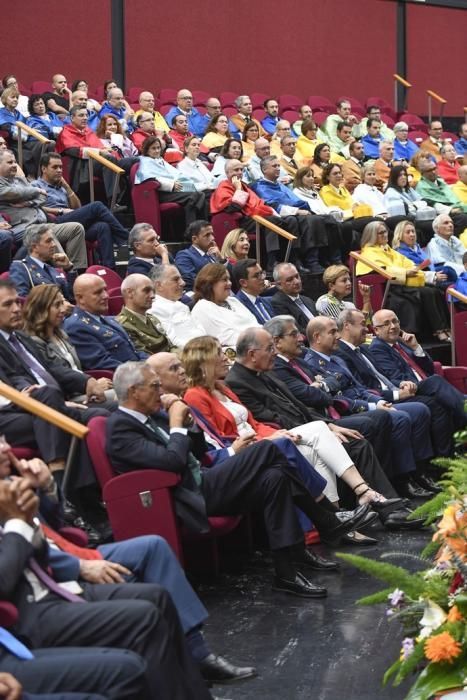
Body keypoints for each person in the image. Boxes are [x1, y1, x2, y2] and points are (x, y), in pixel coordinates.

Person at [106, 360, 373, 597]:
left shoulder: (153, 416)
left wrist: (187, 424)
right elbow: (173, 464)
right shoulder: (120, 428)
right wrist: (177, 425)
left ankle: (287, 569)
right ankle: (326, 518)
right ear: (133, 392)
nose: (160, 392)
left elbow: (197, 452)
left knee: (275, 477)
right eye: (154, 386)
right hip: (187, 497)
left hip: (203, 480)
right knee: (271, 448)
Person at [0, 474, 214, 699]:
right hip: (26, 613)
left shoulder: (11, 485)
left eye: (4, 439)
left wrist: (30, 515)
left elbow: (48, 539)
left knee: (156, 596)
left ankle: (195, 683)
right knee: (144, 619)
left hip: (52, 582)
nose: (4, 447)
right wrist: (17, 522)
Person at [225, 327, 410, 515]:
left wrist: (329, 425)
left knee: (357, 442)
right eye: (270, 349)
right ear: (252, 354)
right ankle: (380, 510)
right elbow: (273, 421)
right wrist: (322, 431)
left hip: (311, 427)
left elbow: (299, 406)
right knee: (358, 441)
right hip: (291, 437)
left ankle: (385, 509)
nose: (274, 353)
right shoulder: (237, 382)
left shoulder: (264, 371)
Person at [300, 315, 436, 494]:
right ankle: (402, 479)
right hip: (347, 413)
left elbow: (360, 388)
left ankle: (420, 471)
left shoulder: (336, 359)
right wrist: (373, 407)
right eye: (332, 332)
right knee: (400, 417)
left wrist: (378, 401)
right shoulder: (312, 364)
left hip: (366, 402)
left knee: (419, 410)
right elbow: (337, 400)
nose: (338, 336)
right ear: (317, 337)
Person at [335, 308, 452, 485]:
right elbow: (364, 388)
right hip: (377, 401)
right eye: (362, 325)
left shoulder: (363, 349)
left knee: (435, 398)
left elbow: (386, 376)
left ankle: (431, 467)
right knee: (426, 402)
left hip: (394, 391)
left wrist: (400, 385)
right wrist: (397, 393)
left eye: (395, 321)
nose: (367, 330)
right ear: (347, 326)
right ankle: (416, 474)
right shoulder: (342, 354)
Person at [368, 309, 467, 437]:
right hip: (410, 388)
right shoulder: (378, 348)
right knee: (435, 381)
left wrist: (416, 347)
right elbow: (394, 377)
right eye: (386, 324)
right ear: (376, 330)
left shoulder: (402, 343)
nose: (392, 326)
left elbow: (429, 369)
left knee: (443, 399)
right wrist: (412, 384)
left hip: (427, 386)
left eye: (394, 321)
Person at [31, 152, 129, 269]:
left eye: (61, 167)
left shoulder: (61, 187)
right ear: (44, 169)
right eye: (55, 167)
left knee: (103, 226)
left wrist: (67, 187)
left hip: (71, 221)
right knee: (97, 206)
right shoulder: (35, 186)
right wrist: (60, 210)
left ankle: (109, 269)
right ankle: (125, 237)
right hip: (54, 222)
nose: (59, 170)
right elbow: (36, 207)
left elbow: (77, 207)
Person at [356, 221, 451, 340]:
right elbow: (382, 270)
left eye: (385, 232)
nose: (384, 235)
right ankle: (439, 330)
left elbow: (407, 263)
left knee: (436, 291)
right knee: (427, 293)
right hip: (389, 289)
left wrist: (415, 271)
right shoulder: (368, 252)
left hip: (401, 284)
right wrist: (405, 272)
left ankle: (446, 328)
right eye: (380, 233)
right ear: (372, 235)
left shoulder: (388, 249)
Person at [21, 284, 114, 405]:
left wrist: (94, 382)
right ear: (41, 309)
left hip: (85, 389)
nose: (63, 310)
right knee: (127, 398)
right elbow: (59, 375)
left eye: (62, 303)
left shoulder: (61, 334)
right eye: (57, 305)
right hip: (68, 398)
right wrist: (92, 384)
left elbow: (75, 369)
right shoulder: (34, 342)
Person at [252, 155, 343, 270]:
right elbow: (273, 205)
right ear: (264, 170)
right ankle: (310, 260)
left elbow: (296, 201)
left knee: (329, 219)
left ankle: (333, 258)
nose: (278, 168)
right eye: (274, 166)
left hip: (296, 211)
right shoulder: (260, 186)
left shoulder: (280, 185)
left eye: (279, 166)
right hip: (282, 215)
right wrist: (297, 211)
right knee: (314, 220)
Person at [0, 150, 87, 269]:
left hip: (43, 221)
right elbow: (12, 193)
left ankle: (78, 271)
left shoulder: (20, 180)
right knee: (45, 232)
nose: (15, 165)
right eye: (10, 162)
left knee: (76, 228)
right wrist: (35, 192)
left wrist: (26, 201)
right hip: (24, 227)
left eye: (15, 162)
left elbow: (42, 198)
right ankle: (65, 271)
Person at [64, 274, 148, 370]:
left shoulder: (107, 319)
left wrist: (148, 363)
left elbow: (135, 349)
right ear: (80, 298)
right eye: (98, 292)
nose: (106, 296)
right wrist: (142, 369)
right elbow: (103, 363)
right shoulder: (76, 327)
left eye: (105, 290)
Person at [56, 106, 133, 203]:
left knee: (134, 161)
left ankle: (131, 201)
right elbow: (73, 150)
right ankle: (113, 200)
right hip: (83, 165)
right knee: (109, 160)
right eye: (81, 115)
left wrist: (107, 149)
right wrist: (100, 152)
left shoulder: (88, 131)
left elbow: (100, 147)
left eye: (86, 115)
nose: (85, 118)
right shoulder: (66, 133)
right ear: (72, 118)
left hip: (100, 162)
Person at [134, 136, 207, 224]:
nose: (157, 151)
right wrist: (171, 185)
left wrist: (184, 182)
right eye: (153, 148)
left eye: (158, 148)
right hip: (161, 192)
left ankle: (199, 228)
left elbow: (175, 173)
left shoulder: (159, 160)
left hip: (174, 188)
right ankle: (194, 230)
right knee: (194, 196)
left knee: (201, 195)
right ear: (147, 149)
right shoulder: (145, 162)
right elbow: (151, 178)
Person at [190, 263, 259, 347]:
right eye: (224, 280)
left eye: (229, 279)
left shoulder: (233, 301)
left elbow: (254, 322)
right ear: (210, 283)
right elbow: (227, 337)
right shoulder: (202, 308)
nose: (230, 283)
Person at [8, 224, 75, 301]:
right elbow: (21, 300)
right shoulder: (20, 267)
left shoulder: (53, 270)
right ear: (34, 247)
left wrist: (69, 268)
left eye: (53, 240)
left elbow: (72, 297)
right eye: (48, 241)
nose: (54, 245)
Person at [149, 264, 207, 347]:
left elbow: (201, 331)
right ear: (159, 285)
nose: (183, 283)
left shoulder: (182, 306)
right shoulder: (154, 309)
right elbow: (172, 342)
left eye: (181, 278)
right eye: (176, 279)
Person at [116, 274, 176, 354]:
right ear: (129, 293)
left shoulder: (152, 319)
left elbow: (170, 346)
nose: (153, 296)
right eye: (146, 291)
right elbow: (143, 357)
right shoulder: (123, 325)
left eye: (153, 291)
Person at [392, 219, 457, 288]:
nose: (412, 234)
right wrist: (434, 275)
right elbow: (413, 271)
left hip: (431, 271)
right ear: (400, 236)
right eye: (408, 232)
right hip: (421, 278)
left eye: (413, 231)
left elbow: (429, 264)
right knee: (451, 281)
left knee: (449, 270)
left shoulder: (416, 247)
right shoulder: (399, 252)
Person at [0, 87, 48, 178]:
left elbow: (30, 126)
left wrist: (31, 131)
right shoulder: (1, 112)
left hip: (24, 140)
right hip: (11, 142)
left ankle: (41, 174)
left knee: (42, 144)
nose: (15, 100)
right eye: (12, 97)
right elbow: (6, 128)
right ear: (5, 99)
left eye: (17, 98)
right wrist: (28, 132)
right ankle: (31, 176)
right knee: (25, 152)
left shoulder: (18, 113)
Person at [353, 162, 407, 230]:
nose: (372, 176)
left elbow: (386, 205)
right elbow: (360, 206)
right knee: (402, 220)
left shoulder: (377, 191)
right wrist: (377, 215)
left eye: (373, 174)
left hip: (386, 216)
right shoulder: (360, 190)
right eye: (369, 174)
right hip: (374, 218)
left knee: (405, 219)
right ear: (363, 177)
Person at [175, 220, 224, 292]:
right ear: (195, 239)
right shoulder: (184, 255)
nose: (212, 238)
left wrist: (221, 259)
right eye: (207, 235)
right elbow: (191, 280)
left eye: (212, 234)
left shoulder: (213, 255)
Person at [270, 262, 316, 334]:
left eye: (297, 276)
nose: (297, 282)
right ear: (279, 285)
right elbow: (296, 331)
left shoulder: (308, 300)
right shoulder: (278, 303)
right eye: (289, 280)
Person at [232, 258, 274, 323]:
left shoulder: (269, 301)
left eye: (262, 273)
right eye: (257, 276)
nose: (263, 277)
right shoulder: (236, 306)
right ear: (243, 283)